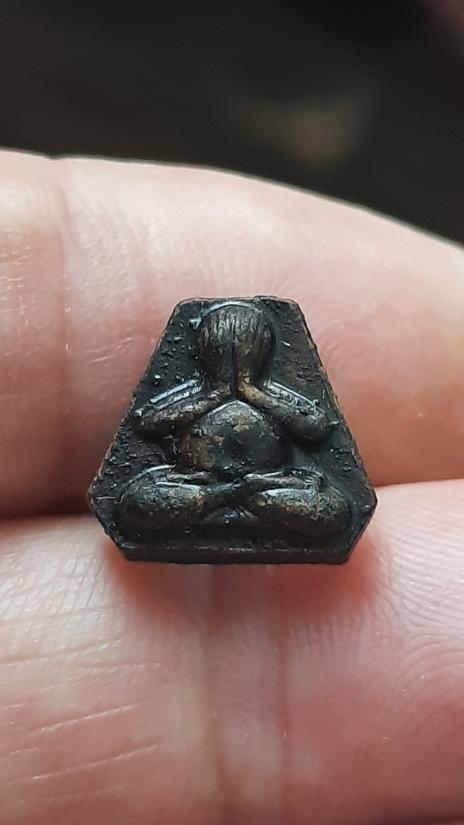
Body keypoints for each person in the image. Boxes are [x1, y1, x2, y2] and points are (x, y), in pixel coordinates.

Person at [0, 150, 463, 825]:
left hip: (272, 489)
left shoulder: (274, 391)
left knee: (330, 508)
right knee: (138, 503)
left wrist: (254, 390)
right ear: (207, 347)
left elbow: (315, 424)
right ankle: (224, 502)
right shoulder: (191, 392)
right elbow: (151, 424)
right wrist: (216, 395)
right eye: (226, 349)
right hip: (198, 487)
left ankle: (235, 503)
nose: (235, 360)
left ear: (265, 351)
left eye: (245, 351)